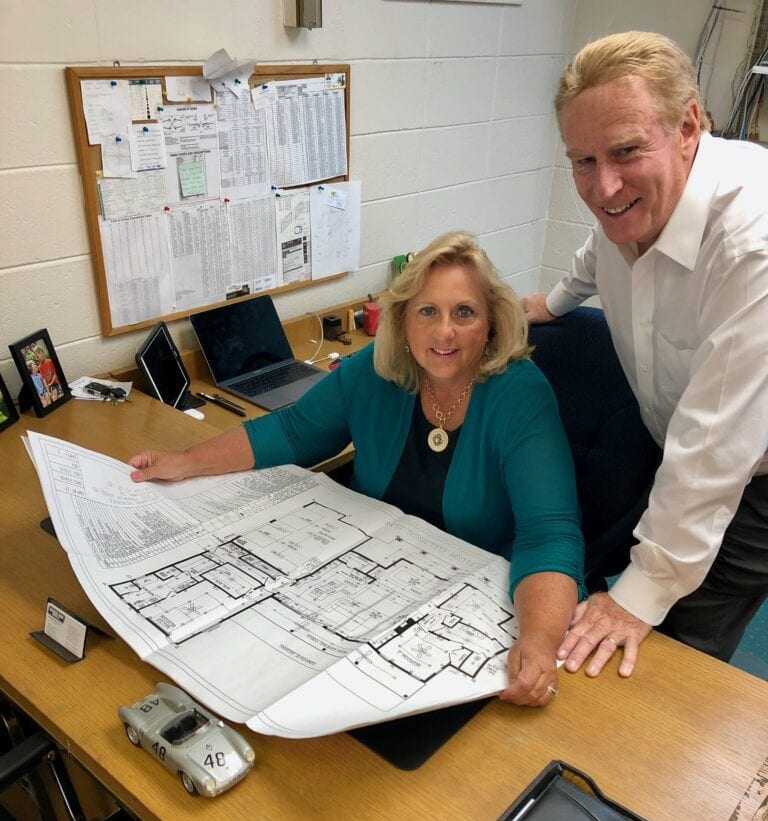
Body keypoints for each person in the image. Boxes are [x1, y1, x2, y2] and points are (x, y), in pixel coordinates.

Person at [129, 232, 585, 706]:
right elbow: (290, 432)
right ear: (404, 320)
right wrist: (184, 462)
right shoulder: (377, 370)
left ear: (490, 323)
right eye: (427, 311)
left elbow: (549, 534)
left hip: (477, 601)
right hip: (379, 588)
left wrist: (538, 640)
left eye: (464, 312)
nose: (444, 331)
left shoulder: (520, 394)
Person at [522, 31, 768, 679]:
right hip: (681, 443)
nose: (603, 188)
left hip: (757, 475)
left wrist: (642, 594)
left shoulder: (752, 242)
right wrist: (555, 300)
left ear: (689, 125)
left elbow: (718, 444)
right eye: (582, 160)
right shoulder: (630, 203)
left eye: (626, 151)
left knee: (673, 652)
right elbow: (597, 251)